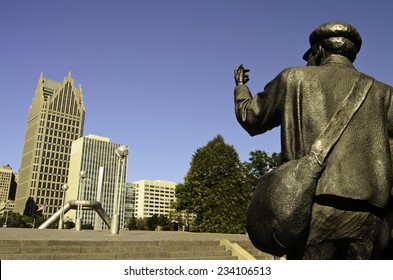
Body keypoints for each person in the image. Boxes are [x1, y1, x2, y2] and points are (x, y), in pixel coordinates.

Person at [234, 22, 393, 259]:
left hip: (314, 204)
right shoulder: (386, 93)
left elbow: (252, 117)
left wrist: (240, 88)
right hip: (369, 213)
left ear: (319, 50)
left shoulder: (294, 77)